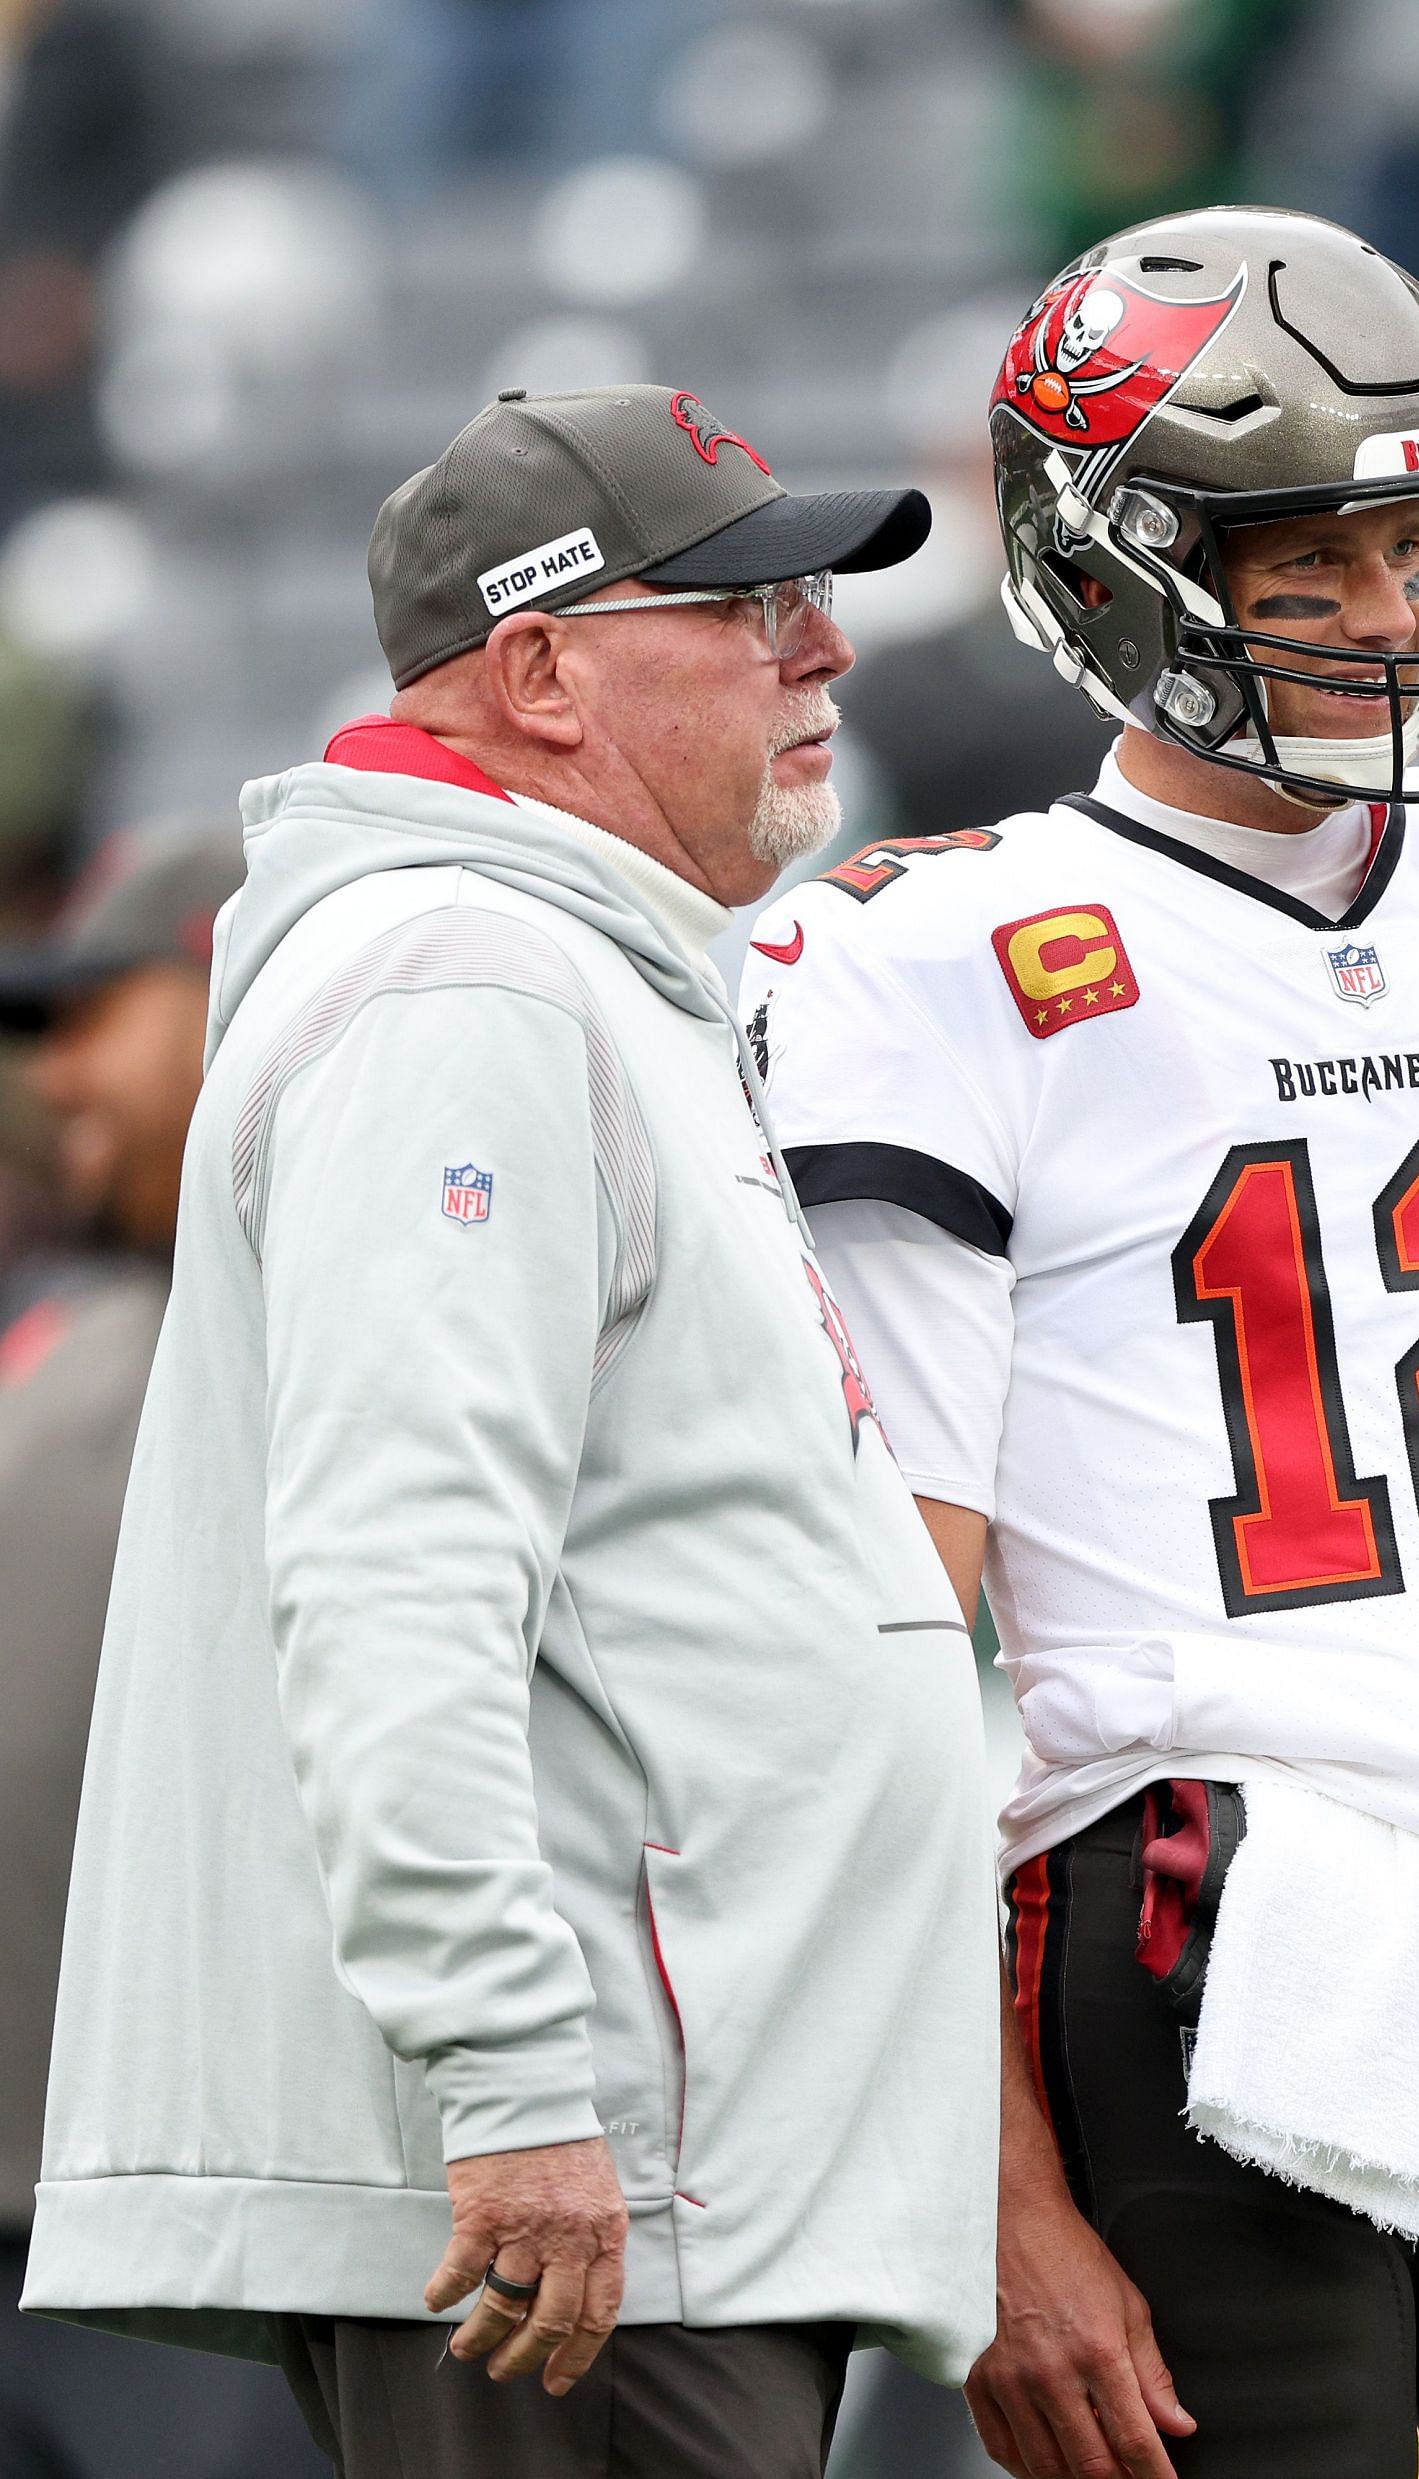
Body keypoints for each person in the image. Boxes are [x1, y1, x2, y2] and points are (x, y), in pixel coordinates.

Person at [744, 208, 1419, 2477]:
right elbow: (872, 1647)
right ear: (1111, 564)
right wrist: (995, 2198)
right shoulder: (947, 962)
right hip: (1193, 1959)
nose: (1387, 613)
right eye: (1302, 558)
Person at [24, 383, 999, 2479]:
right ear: (543, 670)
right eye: (744, 603)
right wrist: (512, 2077)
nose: (820, 645)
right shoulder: (466, 984)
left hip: (670, 2163)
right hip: (584, 2186)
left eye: (812, 597)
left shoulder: (567, 969)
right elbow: (397, 1577)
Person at [0, 821, 332, 2479]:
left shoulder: (349, 1318)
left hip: (220, 2234)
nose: (56, 1076)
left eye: (89, 1018)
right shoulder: (84, 1311)